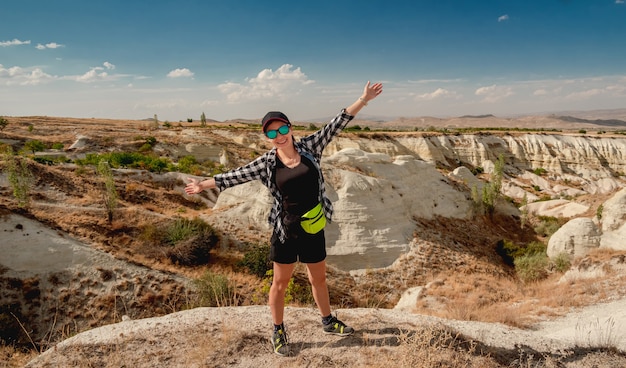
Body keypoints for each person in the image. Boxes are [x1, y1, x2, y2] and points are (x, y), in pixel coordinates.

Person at [184, 81, 383, 356]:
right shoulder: (266, 163)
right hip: (285, 231)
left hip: (313, 226)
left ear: (291, 128)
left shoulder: (310, 147)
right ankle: (278, 330)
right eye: (272, 133)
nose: (279, 135)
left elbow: (336, 124)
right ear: (267, 137)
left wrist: (363, 99)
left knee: (319, 280)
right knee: (280, 283)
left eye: (283, 129)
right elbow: (234, 175)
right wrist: (204, 185)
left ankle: (327, 321)